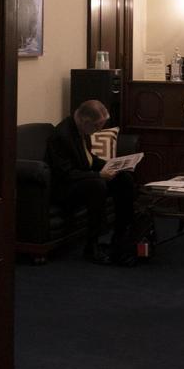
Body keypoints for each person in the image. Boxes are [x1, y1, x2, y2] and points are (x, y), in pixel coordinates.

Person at [45, 99, 136, 265]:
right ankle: (91, 246)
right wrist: (99, 175)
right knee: (97, 185)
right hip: (64, 188)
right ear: (85, 121)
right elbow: (66, 174)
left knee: (124, 178)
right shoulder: (61, 136)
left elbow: (89, 160)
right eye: (97, 126)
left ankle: (122, 235)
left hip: (81, 179)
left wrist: (112, 165)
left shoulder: (81, 130)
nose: (98, 130)